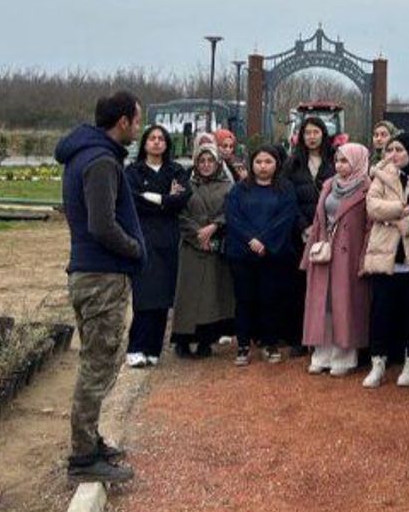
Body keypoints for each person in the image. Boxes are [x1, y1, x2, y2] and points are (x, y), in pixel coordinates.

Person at [55, 91, 146, 483]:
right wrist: (135, 249)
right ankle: (83, 458)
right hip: (101, 276)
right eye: (137, 121)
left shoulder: (85, 154)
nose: (139, 129)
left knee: (97, 360)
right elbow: (102, 225)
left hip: (90, 274)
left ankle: (90, 441)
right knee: (98, 365)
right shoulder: (101, 161)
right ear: (122, 121)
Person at [362, 132, 409, 387]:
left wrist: (396, 217)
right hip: (385, 256)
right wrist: (401, 209)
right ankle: (378, 363)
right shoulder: (382, 174)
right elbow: (372, 207)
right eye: (390, 149)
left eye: (399, 149)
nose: (393, 155)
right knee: (380, 312)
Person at [224, 145, 301, 366]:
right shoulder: (240, 189)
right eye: (258, 162)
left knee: (271, 299)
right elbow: (233, 216)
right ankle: (243, 344)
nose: (263, 166)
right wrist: (251, 239)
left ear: (277, 164)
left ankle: (270, 343)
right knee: (244, 300)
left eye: (268, 162)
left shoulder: (285, 188)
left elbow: (286, 217)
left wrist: (265, 241)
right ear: (252, 164)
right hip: (242, 254)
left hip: (273, 254)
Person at [302, 143, 373, 376]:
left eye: (345, 161)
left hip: (349, 255)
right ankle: (321, 354)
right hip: (324, 252)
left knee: (344, 304)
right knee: (322, 304)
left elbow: (369, 227)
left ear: (357, 162)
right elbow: (318, 221)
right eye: (337, 161)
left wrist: (364, 259)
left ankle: (343, 356)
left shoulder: (366, 188)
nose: (339, 166)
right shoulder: (329, 185)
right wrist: (308, 254)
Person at [123, 125, 190, 368]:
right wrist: (165, 199)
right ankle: (136, 347)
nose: (157, 142)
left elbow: (182, 199)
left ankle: (153, 349)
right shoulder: (133, 171)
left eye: (161, 138)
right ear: (144, 143)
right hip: (144, 237)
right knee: (145, 295)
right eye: (152, 138)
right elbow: (133, 200)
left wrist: (154, 197)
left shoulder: (176, 170)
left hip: (169, 239)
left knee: (163, 297)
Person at [171, 143, 235, 359]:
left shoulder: (228, 186)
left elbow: (231, 211)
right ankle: (182, 340)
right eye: (202, 161)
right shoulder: (185, 185)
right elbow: (179, 213)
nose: (206, 165)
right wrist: (197, 235)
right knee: (187, 296)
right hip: (191, 246)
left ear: (218, 163)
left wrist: (215, 226)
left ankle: (206, 341)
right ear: (196, 163)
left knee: (211, 297)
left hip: (216, 247)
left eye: (210, 161)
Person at [286, 118, 336, 357]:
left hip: (329, 232)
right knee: (298, 286)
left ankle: (324, 338)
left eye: (316, 132)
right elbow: (288, 198)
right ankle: (299, 338)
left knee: (326, 287)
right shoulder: (293, 164)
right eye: (307, 133)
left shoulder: (334, 162)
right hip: (301, 233)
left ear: (323, 135)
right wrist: (303, 227)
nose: (312, 137)